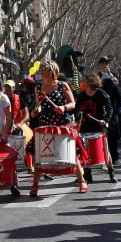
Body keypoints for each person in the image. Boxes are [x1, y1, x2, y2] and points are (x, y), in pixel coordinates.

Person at [30, 60, 88, 196]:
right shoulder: (38, 87)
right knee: (40, 156)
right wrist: (36, 110)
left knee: (71, 154)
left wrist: (63, 107)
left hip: (62, 124)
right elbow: (37, 105)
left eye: (43, 68)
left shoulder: (63, 85)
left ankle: (82, 181)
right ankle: (35, 186)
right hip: (45, 125)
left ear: (51, 71)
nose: (40, 71)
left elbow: (73, 103)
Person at [75, 73, 116, 183]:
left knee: (105, 150)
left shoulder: (101, 94)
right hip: (84, 127)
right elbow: (76, 110)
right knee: (85, 152)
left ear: (90, 82)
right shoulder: (81, 96)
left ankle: (111, 172)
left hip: (99, 127)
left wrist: (105, 120)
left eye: (84, 81)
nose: (82, 82)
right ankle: (87, 175)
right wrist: (78, 116)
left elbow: (110, 109)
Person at [101, 74, 121, 164]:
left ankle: (105, 158)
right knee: (113, 139)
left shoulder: (100, 89)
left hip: (103, 115)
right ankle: (115, 157)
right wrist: (117, 108)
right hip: (113, 115)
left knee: (104, 138)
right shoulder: (115, 88)